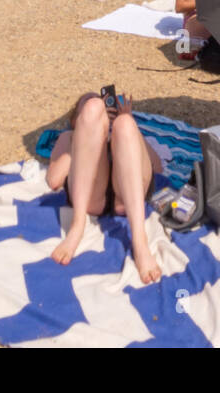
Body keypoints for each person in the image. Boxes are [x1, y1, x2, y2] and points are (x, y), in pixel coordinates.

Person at [46, 91, 163, 282]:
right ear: (76, 119)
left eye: (105, 102)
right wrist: (82, 139)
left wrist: (128, 122)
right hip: (92, 196)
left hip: (126, 196)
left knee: (124, 125)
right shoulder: (69, 136)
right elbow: (54, 179)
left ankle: (140, 242)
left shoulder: (122, 132)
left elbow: (157, 167)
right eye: (86, 104)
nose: (103, 107)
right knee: (95, 110)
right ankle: (77, 226)